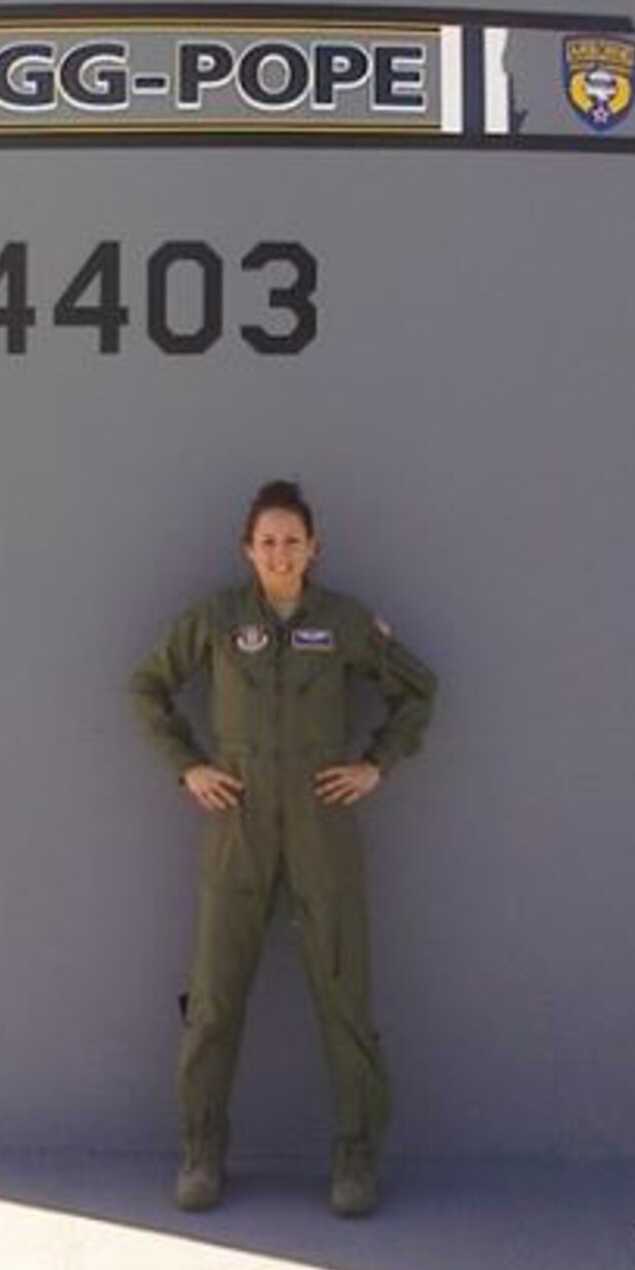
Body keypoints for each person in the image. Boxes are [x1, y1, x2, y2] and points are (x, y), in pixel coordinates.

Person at [127, 479, 436, 1217]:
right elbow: (146, 686)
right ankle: (202, 1150)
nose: (279, 553)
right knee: (214, 1000)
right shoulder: (219, 619)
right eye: (266, 541)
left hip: (321, 827)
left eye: (292, 541)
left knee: (344, 996)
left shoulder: (345, 622)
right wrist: (189, 767)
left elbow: (418, 691)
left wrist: (376, 764)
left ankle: (355, 1160)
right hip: (238, 826)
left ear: (313, 548)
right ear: (247, 549)